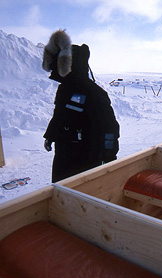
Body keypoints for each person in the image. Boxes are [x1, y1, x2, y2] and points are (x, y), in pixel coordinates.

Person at [42, 30, 120, 183]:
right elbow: (59, 116)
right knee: (60, 190)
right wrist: (50, 135)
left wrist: (109, 156)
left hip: (86, 158)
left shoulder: (94, 93)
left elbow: (109, 128)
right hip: (63, 153)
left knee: (81, 197)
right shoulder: (64, 89)